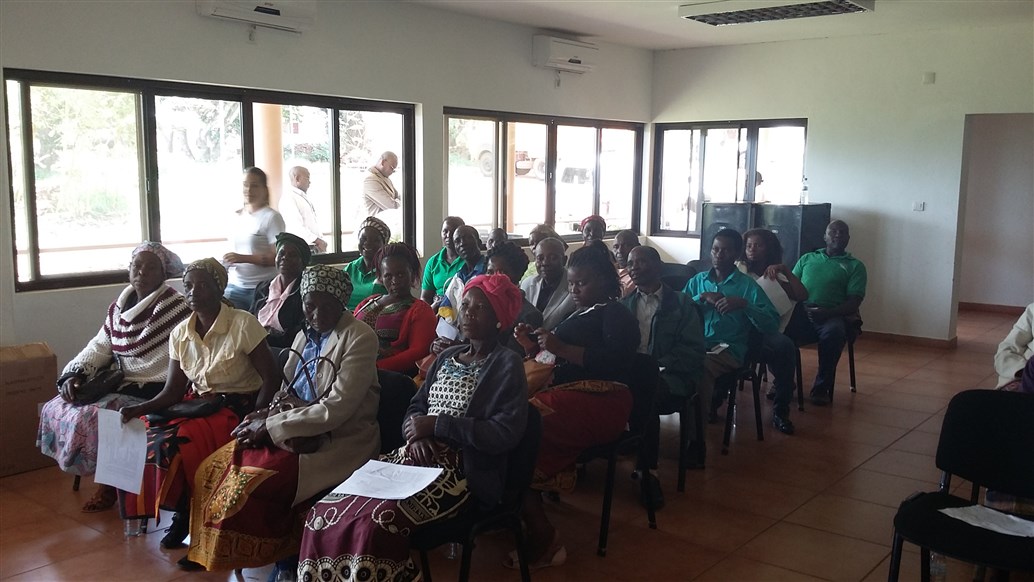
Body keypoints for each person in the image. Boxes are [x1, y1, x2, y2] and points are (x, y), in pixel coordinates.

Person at [297, 274, 528, 582]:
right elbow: (416, 408)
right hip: (412, 456)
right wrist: (415, 435)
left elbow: (504, 433)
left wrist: (438, 425)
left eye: (480, 307)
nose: (468, 313)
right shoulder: (447, 357)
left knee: (378, 523)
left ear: (499, 318)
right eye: (466, 305)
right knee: (326, 510)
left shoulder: (507, 364)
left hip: (459, 472)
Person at [180, 265, 380, 575]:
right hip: (293, 429)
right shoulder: (304, 335)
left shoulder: (359, 337)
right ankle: (217, 549)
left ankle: (285, 558)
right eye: (310, 305)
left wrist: (270, 426)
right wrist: (263, 414)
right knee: (219, 465)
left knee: (254, 482)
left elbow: (337, 408)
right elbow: (286, 387)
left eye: (327, 306)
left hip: (337, 438)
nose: (317, 314)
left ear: (342, 304)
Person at [116, 258, 280, 550]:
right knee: (148, 435)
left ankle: (193, 516)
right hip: (198, 405)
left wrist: (257, 416)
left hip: (237, 407)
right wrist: (138, 409)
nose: (193, 292)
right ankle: (183, 508)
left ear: (219, 288)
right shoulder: (180, 333)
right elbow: (172, 391)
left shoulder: (242, 323)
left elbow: (271, 377)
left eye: (202, 285)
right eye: (188, 286)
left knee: (182, 441)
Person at [511, 244, 640, 569]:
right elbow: (555, 360)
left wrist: (561, 347)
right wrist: (531, 347)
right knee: (506, 418)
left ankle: (542, 534)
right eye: (571, 283)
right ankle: (516, 508)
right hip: (570, 394)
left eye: (581, 283)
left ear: (605, 281)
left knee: (524, 423)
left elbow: (617, 363)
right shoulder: (580, 313)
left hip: (605, 400)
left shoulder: (616, 314)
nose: (574, 290)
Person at [37, 242, 191, 513]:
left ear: (164, 273)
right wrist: (74, 374)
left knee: (95, 416)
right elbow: (99, 346)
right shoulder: (119, 307)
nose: (141, 272)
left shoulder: (176, 308)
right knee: (57, 405)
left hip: (154, 387)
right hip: (121, 382)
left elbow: (178, 360)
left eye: (150, 267)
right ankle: (103, 474)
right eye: (136, 266)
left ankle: (109, 485)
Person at [620, 245, 706, 505]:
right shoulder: (624, 305)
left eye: (641, 262)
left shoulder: (681, 303)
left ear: (658, 267)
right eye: (630, 263)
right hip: (630, 373)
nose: (634, 267)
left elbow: (692, 350)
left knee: (647, 393)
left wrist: (657, 365)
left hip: (671, 376)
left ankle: (648, 471)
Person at [683, 229, 779, 431]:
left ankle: (695, 436)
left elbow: (771, 323)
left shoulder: (747, 286)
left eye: (725, 251)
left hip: (728, 349)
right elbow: (677, 309)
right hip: (696, 344)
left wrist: (745, 305)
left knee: (701, 366)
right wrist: (701, 297)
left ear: (736, 254)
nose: (719, 255)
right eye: (715, 249)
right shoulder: (698, 281)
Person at [789, 220, 867, 405]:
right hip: (802, 312)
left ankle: (821, 387)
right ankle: (784, 382)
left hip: (832, 315)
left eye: (843, 232)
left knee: (834, 333)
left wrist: (828, 313)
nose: (838, 235)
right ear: (824, 236)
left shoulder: (855, 266)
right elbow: (790, 287)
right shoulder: (807, 259)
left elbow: (854, 302)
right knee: (777, 331)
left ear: (848, 238)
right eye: (833, 231)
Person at [739, 228, 809, 434]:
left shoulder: (774, 275)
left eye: (758, 245)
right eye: (748, 245)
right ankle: (715, 400)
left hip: (765, 330)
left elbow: (802, 295)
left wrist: (785, 271)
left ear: (769, 249)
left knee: (785, 347)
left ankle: (781, 411)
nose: (752, 249)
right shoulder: (738, 270)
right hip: (738, 329)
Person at [353, 243, 436, 375]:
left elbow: (418, 352)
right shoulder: (369, 301)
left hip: (386, 377)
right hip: (350, 366)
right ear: (381, 277)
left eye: (401, 274)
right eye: (388, 276)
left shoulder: (421, 310)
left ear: (412, 274)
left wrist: (373, 368)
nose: (395, 281)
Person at [224, 167, 286, 310]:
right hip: (235, 286)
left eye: (254, 186)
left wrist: (242, 258)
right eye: (245, 185)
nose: (249, 190)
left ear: (264, 189)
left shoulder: (271, 217)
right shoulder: (237, 216)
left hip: (262, 288)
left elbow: (278, 258)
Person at [251, 232, 311, 349]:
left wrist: (263, 336)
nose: (285, 257)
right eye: (281, 253)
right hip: (255, 345)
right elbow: (250, 319)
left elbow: (297, 334)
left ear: (303, 262)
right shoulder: (263, 287)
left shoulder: (306, 292)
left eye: (292, 255)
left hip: (283, 350)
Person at [486, 241, 544, 353]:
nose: (494, 278)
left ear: (517, 275)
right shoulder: (481, 304)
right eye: (489, 272)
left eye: (502, 273)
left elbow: (509, 357)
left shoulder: (529, 315)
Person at [436, 225, 488, 333]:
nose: (462, 243)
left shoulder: (488, 272)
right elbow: (446, 312)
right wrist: (444, 338)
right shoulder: (458, 277)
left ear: (479, 242)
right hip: (457, 336)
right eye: (457, 241)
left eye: (467, 238)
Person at [521, 237, 577, 331]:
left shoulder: (575, 287)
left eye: (553, 258)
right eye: (540, 258)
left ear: (564, 260)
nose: (545, 263)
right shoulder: (527, 284)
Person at [342, 216, 390, 312]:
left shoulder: (388, 270)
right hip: (346, 317)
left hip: (375, 318)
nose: (368, 243)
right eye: (363, 238)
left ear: (384, 244)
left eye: (375, 240)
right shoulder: (351, 268)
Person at [280, 166, 327, 253]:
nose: (310, 182)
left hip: (313, 247)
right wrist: (317, 240)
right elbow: (295, 226)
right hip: (302, 248)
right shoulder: (289, 198)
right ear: (297, 178)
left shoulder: (301, 197)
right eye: (307, 178)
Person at [420, 216, 466, 305]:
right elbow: (425, 297)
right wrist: (429, 311)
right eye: (445, 231)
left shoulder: (468, 261)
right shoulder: (433, 262)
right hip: (437, 308)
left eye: (453, 232)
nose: (448, 235)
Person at [994, 302, 1034, 387]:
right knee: (968, 396)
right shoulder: (1032, 310)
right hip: (1019, 378)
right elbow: (1006, 348)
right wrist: (1023, 371)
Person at [363, 151, 401, 216]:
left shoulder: (385, 178)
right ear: (383, 162)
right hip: (377, 222)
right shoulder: (370, 180)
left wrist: (397, 201)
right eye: (392, 168)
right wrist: (398, 201)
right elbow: (393, 207)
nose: (392, 172)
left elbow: (399, 196)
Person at [612, 229, 641, 298]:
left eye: (626, 246)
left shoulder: (638, 275)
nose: (620, 251)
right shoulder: (609, 269)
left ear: (637, 247)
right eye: (616, 247)